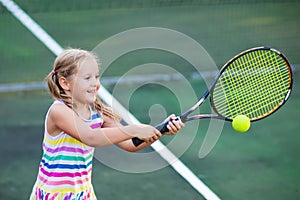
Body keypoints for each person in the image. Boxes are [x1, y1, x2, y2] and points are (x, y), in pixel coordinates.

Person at [29, 48, 184, 200]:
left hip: (83, 193)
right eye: (87, 78)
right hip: (54, 195)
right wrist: (135, 129)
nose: (95, 83)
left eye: (96, 77)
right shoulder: (59, 111)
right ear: (65, 83)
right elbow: (91, 137)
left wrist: (162, 129)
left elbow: (130, 144)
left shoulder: (99, 112)